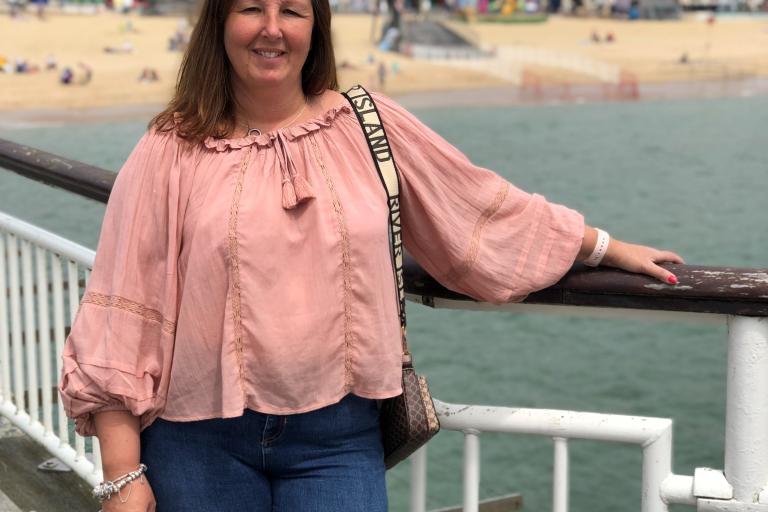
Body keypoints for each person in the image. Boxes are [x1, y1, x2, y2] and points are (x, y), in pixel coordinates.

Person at [58, 0, 684, 509]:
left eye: (293, 11)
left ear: (316, 26)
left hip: (338, 438)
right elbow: (122, 309)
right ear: (220, 24)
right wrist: (122, 475)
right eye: (251, 8)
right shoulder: (172, 148)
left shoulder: (367, 124)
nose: (272, 28)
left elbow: (477, 208)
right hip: (196, 440)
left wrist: (603, 246)